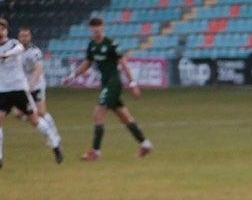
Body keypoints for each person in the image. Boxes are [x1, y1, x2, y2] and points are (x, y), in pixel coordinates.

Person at [62, 16, 153, 160]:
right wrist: (72, 76)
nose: (96, 29)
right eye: (93, 26)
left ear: (103, 27)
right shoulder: (92, 45)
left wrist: (133, 84)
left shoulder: (111, 44)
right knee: (124, 117)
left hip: (114, 83)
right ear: (90, 29)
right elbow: (87, 63)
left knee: (98, 114)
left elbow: (123, 63)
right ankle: (146, 144)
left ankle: (95, 152)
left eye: (98, 26)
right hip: (106, 83)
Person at [0, 19, 63, 168]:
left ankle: (55, 144)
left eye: (2, 29)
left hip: (19, 89)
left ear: (6, 31)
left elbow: (19, 49)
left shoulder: (13, 44)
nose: (0, 32)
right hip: (2, 90)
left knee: (34, 119)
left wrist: (7, 55)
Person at [17, 27, 62, 153]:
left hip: (36, 86)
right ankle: (46, 129)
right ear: (18, 38)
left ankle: (55, 136)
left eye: (26, 35)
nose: (24, 38)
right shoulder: (16, 51)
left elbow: (39, 68)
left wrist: (32, 83)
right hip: (22, 86)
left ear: (30, 37)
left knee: (42, 112)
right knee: (18, 114)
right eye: (22, 36)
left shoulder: (34, 51)